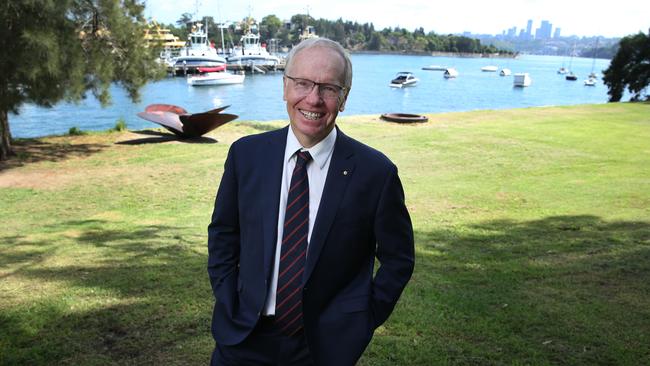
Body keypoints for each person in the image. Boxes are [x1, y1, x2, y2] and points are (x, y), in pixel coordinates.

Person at [207, 37, 415, 366]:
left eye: (329, 88)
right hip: (243, 336)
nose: (313, 99)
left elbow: (398, 259)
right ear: (285, 87)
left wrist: (362, 319)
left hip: (323, 348)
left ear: (344, 98)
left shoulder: (376, 173)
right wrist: (228, 296)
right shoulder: (246, 156)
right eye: (302, 83)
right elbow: (223, 232)